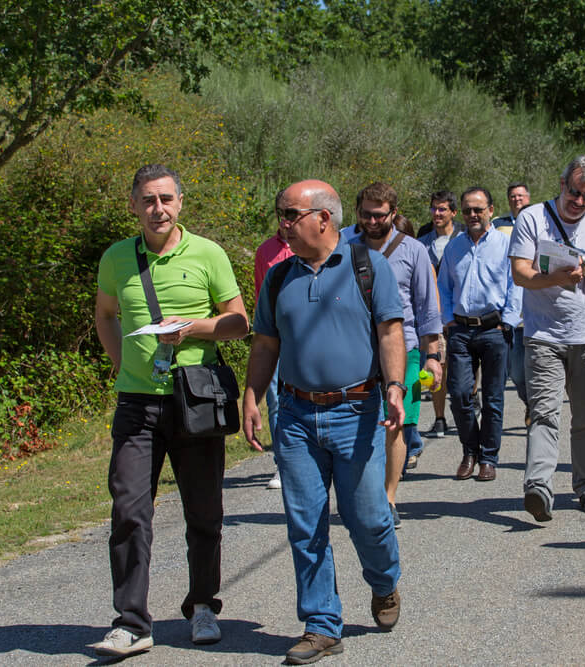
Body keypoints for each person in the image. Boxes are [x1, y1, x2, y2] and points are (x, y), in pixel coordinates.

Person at [242, 179, 406, 663]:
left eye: (291, 214)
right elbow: (267, 344)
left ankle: (384, 582)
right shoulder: (278, 277)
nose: (283, 225)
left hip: (357, 412)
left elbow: (390, 332)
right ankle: (322, 623)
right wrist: (251, 396)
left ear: (324, 218)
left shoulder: (367, 266)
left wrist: (394, 387)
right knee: (305, 522)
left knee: (370, 519)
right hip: (294, 415)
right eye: (281, 214)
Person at [92, 164, 249, 657]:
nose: (157, 208)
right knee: (129, 511)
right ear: (133, 205)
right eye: (147, 200)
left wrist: (193, 329)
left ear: (180, 202)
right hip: (138, 403)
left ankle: (203, 605)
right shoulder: (117, 257)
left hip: (195, 397)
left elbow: (239, 322)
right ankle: (132, 622)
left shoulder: (208, 253)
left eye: (165, 199)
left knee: (203, 511)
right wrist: (125, 366)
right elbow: (104, 315)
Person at [509, 156, 585, 521]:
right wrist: (556, 278)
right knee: (543, 411)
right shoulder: (532, 218)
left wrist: (581, 264)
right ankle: (539, 486)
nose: (579, 202)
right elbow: (522, 275)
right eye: (574, 193)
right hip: (543, 333)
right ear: (562, 184)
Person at [351, 182, 442, 528]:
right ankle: (366, 493)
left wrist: (433, 357)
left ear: (394, 213)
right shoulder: (345, 247)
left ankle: (388, 498)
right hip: (358, 348)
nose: (372, 221)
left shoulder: (415, 251)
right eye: (366, 214)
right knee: (361, 422)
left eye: (379, 215)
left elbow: (427, 308)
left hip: (408, 350)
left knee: (399, 422)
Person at [437, 186, 522, 481]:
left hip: (494, 329)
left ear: (490, 210)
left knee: (493, 399)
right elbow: (444, 287)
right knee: (459, 394)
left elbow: (516, 285)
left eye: (478, 209)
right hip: (460, 329)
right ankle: (469, 451)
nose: (473, 215)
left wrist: (508, 322)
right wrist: (447, 320)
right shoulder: (453, 246)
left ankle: (488, 458)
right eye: (467, 210)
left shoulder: (505, 244)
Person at [253, 189, 291, 490]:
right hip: (276, 335)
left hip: (306, 338)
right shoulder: (265, 251)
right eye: (282, 213)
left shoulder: (318, 245)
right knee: (276, 400)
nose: (287, 220)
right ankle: (282, 463)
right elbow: (259, 296)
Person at [417, 191, 464, 439]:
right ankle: (439, 418)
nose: (437, 214)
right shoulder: (422, 242)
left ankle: (470, 397)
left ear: (453, 213)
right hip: (432, 313)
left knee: (462, 367)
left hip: (459, 312)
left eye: (442, 209)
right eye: (434, 209)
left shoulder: (463, 238)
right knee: (438, 367)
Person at [493, 182, 533, 419]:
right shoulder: (498, 225)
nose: (516, 199)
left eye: (520, 195)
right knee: (515, 372)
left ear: (528, 197)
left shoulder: (541, 223)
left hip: (535, 305)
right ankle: (530, 402)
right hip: (510, 309)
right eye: (512, 196)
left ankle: (540, 407)